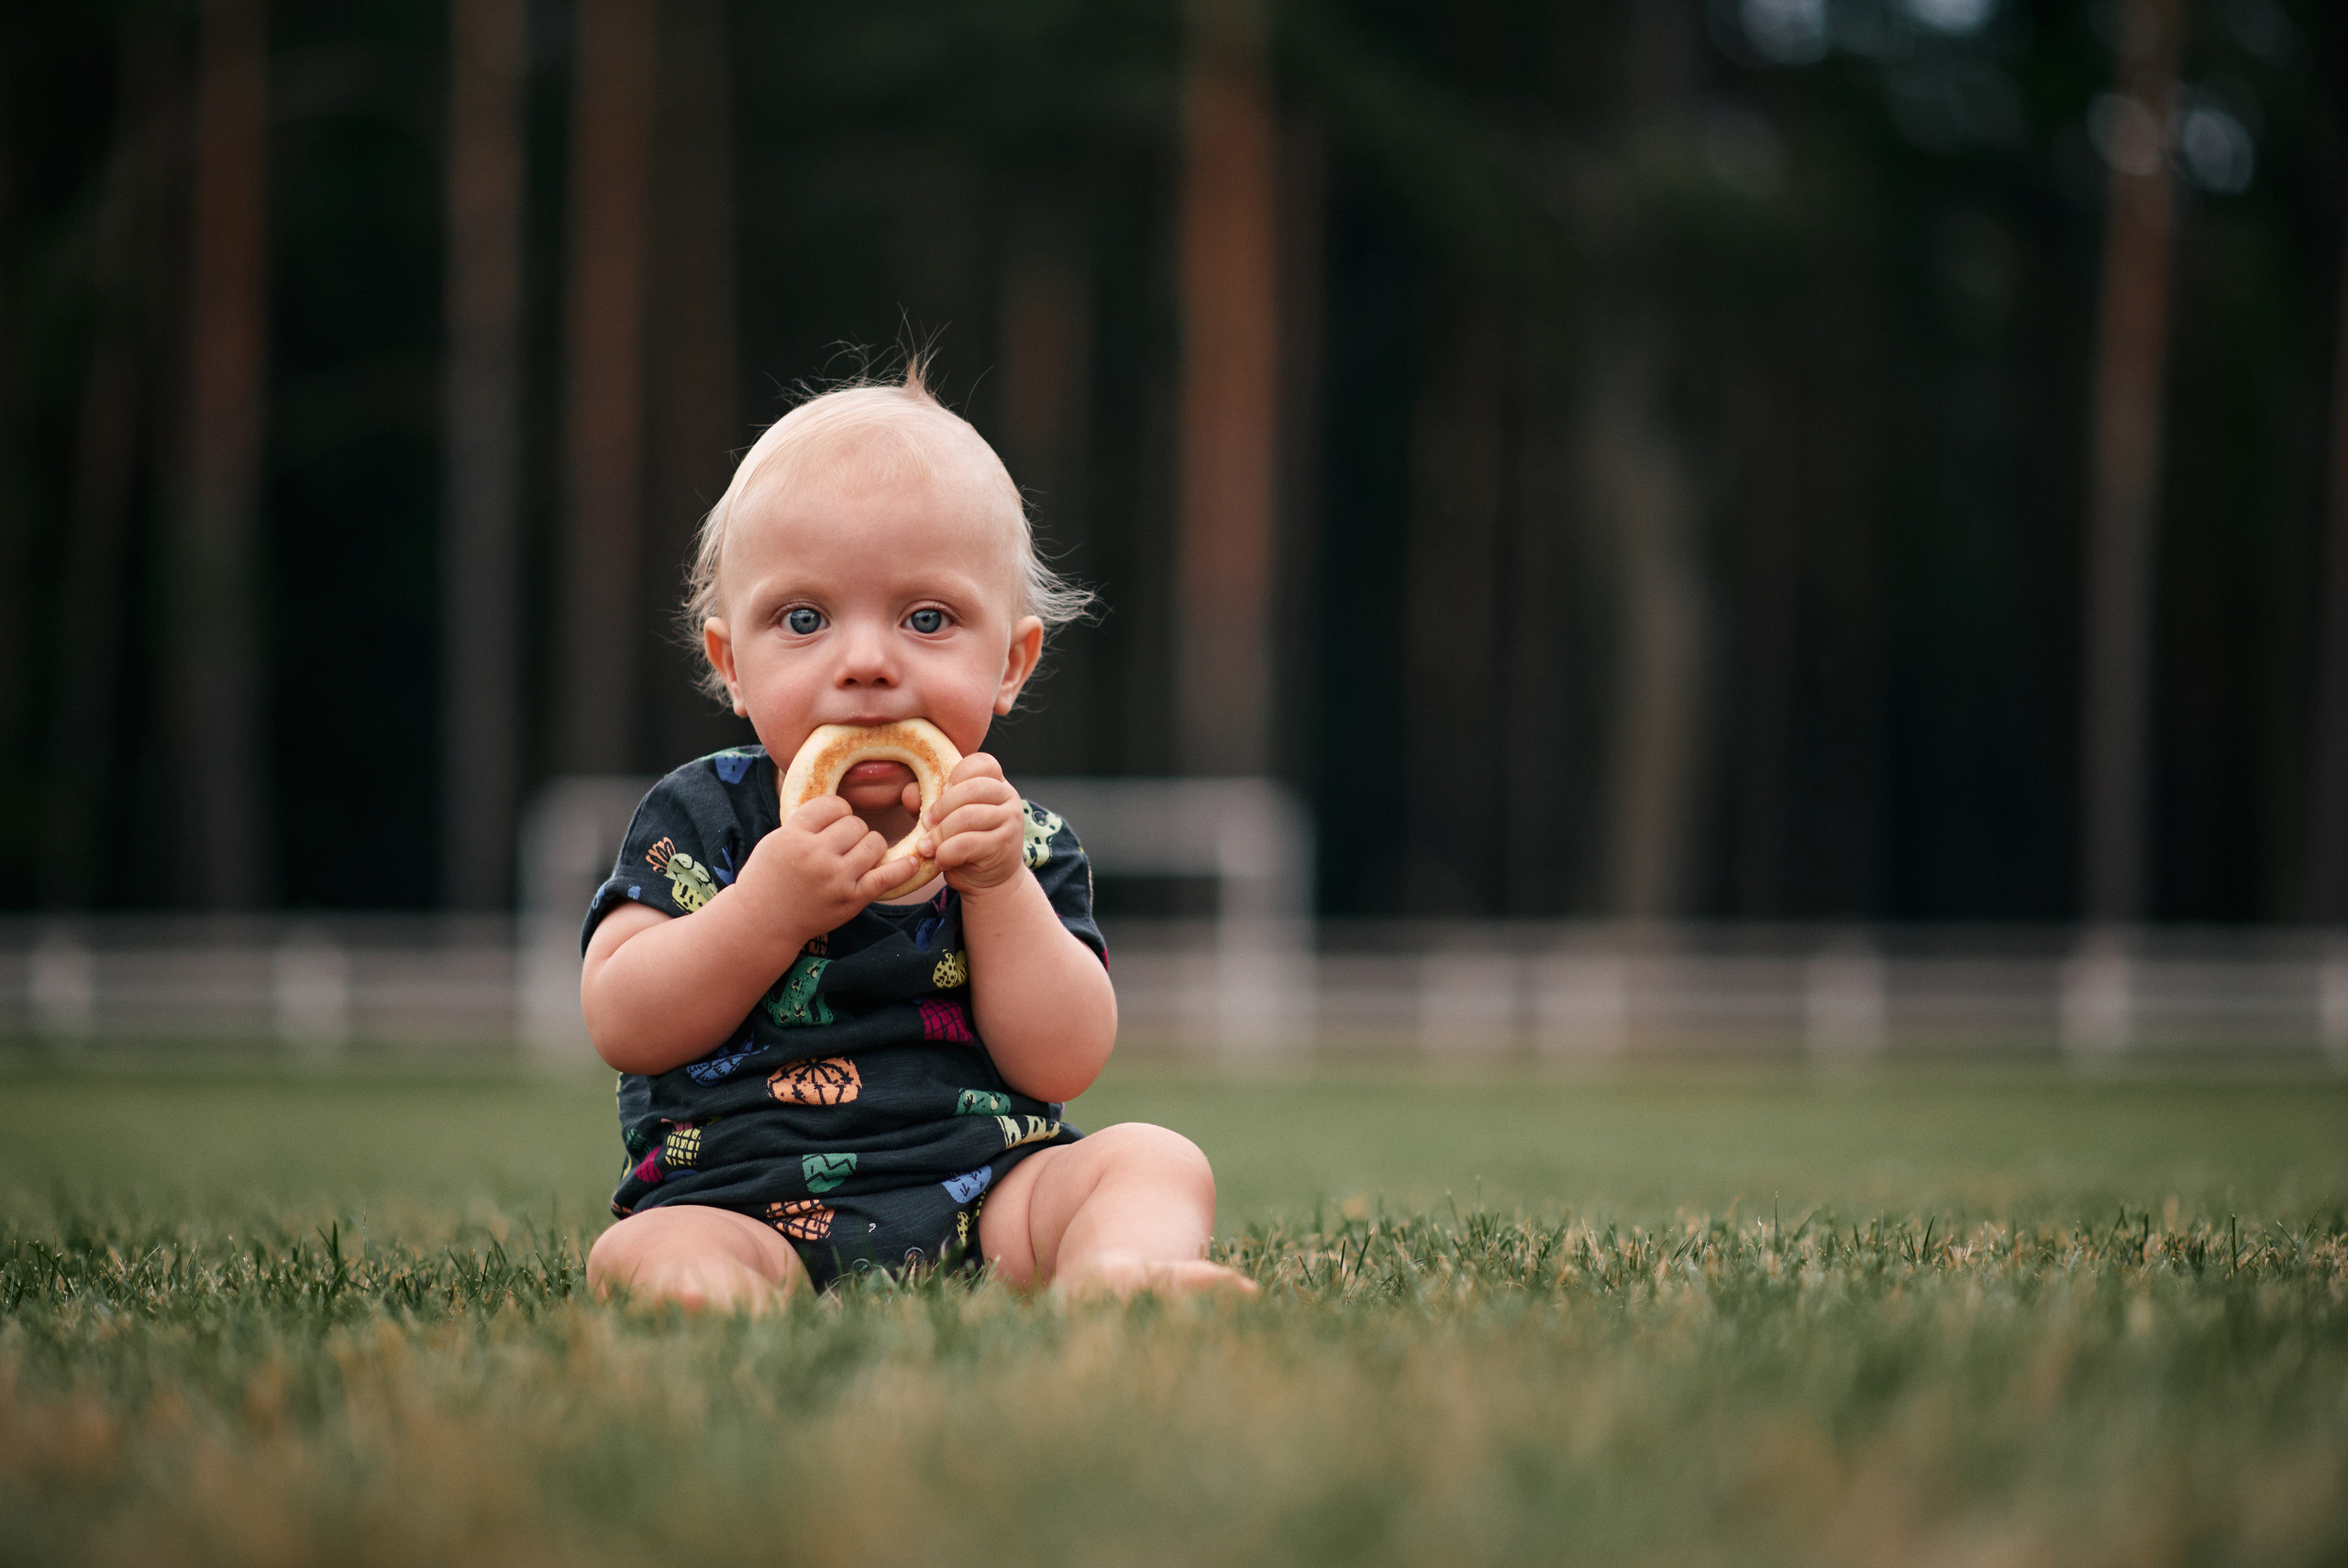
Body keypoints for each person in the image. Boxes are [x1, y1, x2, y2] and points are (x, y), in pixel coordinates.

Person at [579, 362, 1255, 1311]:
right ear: (731, 663)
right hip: (740, 1205)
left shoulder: (1018, 837)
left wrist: (998, 889)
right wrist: (764, 911)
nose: (865, 663)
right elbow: (623, 1019)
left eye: (926, 618)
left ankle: (1118, 1273)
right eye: (803, 619)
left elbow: (1063, 1061)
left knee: (1154, 1157)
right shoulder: (706, 820)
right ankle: (713, 1297)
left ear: (1010, 662)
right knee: (646, 1251)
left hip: (991, 1205)